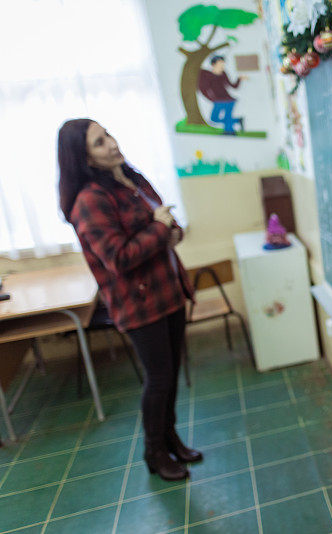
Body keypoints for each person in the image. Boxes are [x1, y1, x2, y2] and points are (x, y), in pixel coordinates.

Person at [57, 119, 203, 481]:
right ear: (83, 157)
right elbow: (118, 257)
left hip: (169, 291)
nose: (111, 143)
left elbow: (167, 221)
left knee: (169, 377)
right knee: (159, 378)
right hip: (139, 303)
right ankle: (154, 452)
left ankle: (171, 439)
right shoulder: (89, 200)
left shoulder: (132, 179)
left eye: (108, 135)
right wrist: (158, 228)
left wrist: (171, 230)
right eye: (99, 142)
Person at [197, 55, 246, 135]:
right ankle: (237, 121)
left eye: (223, 64)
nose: (222, 66)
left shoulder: (223, 74)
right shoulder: (207, 75)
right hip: (218, 101)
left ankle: (230, 132)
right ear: (213, 64)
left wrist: (239, 79)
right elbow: (204, 89)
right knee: (214, 119)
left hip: (229, 100)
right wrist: (211, 99)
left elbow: (233, 86)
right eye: (220, 64)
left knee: (227, 118)